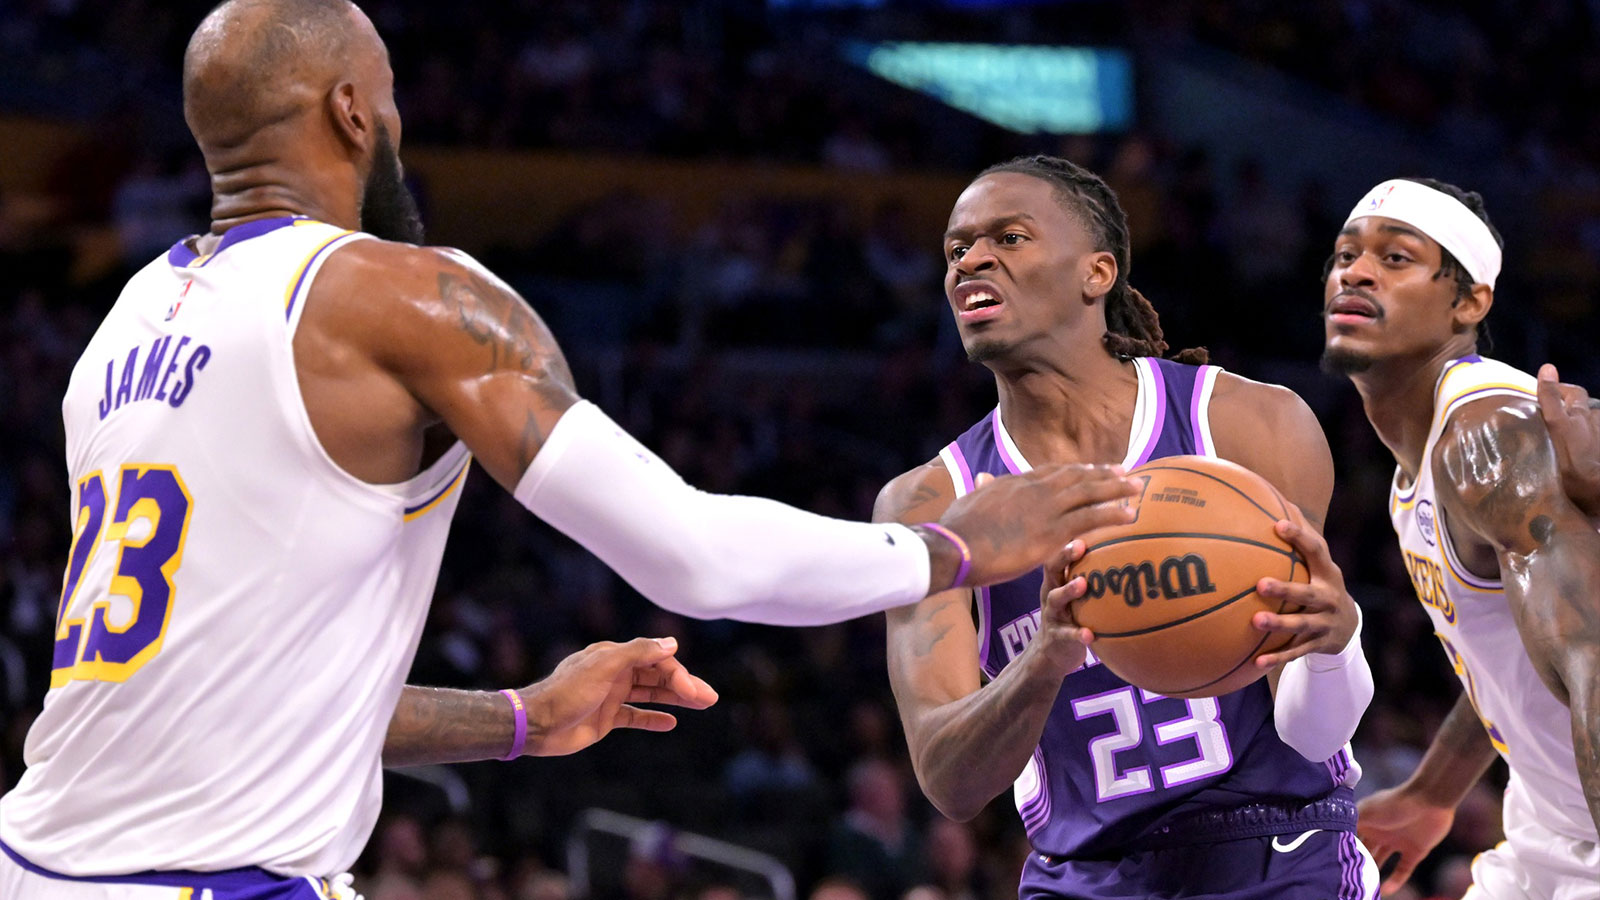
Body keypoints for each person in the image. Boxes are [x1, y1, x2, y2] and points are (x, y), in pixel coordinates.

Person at [0, 2, 1143, 897]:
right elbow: (693, 559)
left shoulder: (125, 329)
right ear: (355, 112)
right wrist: (948, 549)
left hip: (39, 861)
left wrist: (519, 720)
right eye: (391, 105)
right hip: (215, 883)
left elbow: (226, 693)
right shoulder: (411, 297)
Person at [877, 155, 1379, 900]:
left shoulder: (1247, 425)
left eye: (1009, 238)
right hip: (1083, 874)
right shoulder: (930, 505)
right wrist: (1042, 660)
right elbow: (950, 782)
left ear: (1097, 273)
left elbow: (1312, 732)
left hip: (1278, 849)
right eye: (956, 249)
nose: (971, 260)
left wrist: (1337, 646)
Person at [1323, 178, 1600, 898]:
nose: (1355, 271)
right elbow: (1510, 657)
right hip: (1545, 831)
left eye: (1396, 258)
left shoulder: (1486, 441)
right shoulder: (1417, 470)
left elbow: (1594, 654)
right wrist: (1432, 792)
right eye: (1346, 255)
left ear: (1469, 301)